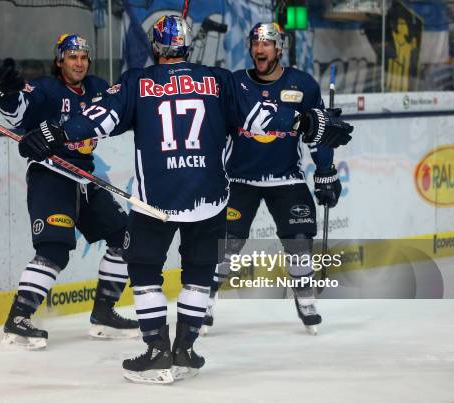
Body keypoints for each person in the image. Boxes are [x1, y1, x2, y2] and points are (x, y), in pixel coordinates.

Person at [17, 16, 352, 382]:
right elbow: (262, 116)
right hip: (209, 199)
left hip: (156, 202)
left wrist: (51, 133)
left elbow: (96, 120)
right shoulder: (220, 80)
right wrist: (308, 124)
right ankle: (187, 351)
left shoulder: (136, 82)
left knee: (145, 272)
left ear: (155, 47)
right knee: (198, 274)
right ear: (188, 45)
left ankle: (157, 350)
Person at [0, 33, 139, 350]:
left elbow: (127, 107)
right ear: (60, 60)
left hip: (85, 179)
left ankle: (103, 314)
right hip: (51, 174)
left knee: (125, 237)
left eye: (83, 57)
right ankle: (18, 319)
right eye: (72, 57)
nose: (79, 63)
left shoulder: (99, 88)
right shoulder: (46, 89)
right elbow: (17, 114)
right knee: (54, 250)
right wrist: (6, 95)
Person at [204, 23, 344, 336]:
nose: (260, 49)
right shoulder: (234, 83)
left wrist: (325, 171)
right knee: (226, 246)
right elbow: (215, 128)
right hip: (239, 179)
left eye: (267, 44)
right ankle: (204, 301)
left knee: (299, 243)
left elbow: (318, 133)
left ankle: (305, 299)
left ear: (278, 48)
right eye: (255, 43)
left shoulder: (303, 85)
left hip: (286, 178)